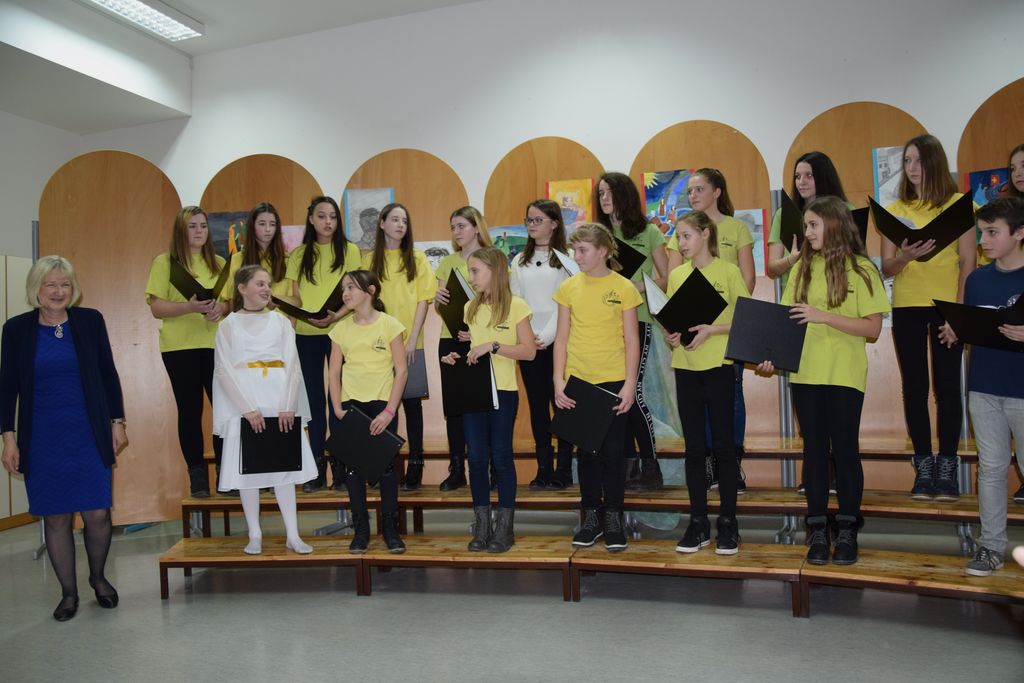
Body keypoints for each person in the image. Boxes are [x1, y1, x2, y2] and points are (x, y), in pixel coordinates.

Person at [757, 197, 890, 565]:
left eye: (813, 225)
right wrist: (770, 356)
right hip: (806, 373)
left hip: (845, 375)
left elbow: (873, 329)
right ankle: (817, 529)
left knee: (845, 450)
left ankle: (847, 530)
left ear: (834, 224)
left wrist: (824, 316)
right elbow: (786, 321)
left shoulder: (862, 268)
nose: (808, 233)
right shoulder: (802, 268)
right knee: (814, 451)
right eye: (807, 225)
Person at [1, 256, 127, 621]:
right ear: (36, 289)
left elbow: (108, 374)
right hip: (42, 435)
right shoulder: (16, 329)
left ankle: (98, 578)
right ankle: (68, 594)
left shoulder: (90, 321)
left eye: (65, 285)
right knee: (56, 517)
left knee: (97, 512)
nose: (59, 292)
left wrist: (117, 421)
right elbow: (7, 388)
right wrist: (8, 438)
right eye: (51, 285)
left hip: (88, 430)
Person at [880, 135, 976, 501]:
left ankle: (947, 465)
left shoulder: (958, 206)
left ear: (934, 162)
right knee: (915, 388)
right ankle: (923, 464)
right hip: (907, 307)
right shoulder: (894, 209)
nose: (912, 168)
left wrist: (959, 316)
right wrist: (906, 256)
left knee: (948, 388)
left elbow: (968, 263)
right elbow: (887, 267)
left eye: (918, 160)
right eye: (907, 161)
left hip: (946, 308)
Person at [937, 197, 1024, 576]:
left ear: (1019, 233)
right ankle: (991, 547)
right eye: (981, 232)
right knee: (990, 469)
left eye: (992, 232)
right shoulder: (977, 280)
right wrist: (955, 330)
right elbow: (971, 324)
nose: (983, 241)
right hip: (983, 388)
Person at [212, 266, 316, 555]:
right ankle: (254, 534)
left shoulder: (281, 322)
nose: (266, 288)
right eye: (260, 284)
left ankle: (293, 534)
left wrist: (288, 405)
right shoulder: (228, 325)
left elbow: (292, 365)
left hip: (278, 397)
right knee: (248, 470)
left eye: (268, 284)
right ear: (242, 288)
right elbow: (223, 370)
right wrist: (247, 409)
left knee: (285, 467)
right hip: (246, 402)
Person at [766, 151, 850, 495]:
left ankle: (838, 475)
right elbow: (772, 267)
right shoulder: (785, 215)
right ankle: (815, 476)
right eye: (798, 175)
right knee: (808, 407)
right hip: (798, 308)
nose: (801, 181)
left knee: (838, 413)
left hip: (834, 308)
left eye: (809, 175)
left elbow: (854, 255)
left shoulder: (842, 212)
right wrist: (795, 258)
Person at [553, 224, 641, 552]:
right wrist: (558, 381)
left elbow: (632, 340)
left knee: (613, 454)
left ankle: (614, 518)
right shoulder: (568, 288)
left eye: (583, 250)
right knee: (587, 454)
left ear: (602, 251)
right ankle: (591, 517)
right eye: (575, 250)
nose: (577, 256)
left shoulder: (624, 287)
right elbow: (561, 338)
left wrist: (630, 384)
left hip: (614, 381)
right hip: (578, 381)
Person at [442, 247, 535, 552]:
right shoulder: (469, 307)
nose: (471, 277)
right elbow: (471, 350)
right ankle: (482, 528)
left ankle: (505, 530)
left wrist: (494, 346)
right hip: (474, 392)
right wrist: (456, 357)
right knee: (477, 459)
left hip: (504, 393)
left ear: (494, 271)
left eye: (475, 271)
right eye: (469, 271)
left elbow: (529, 351)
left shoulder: (517, 306)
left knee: (502, 458)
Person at [667, 168, 755, 493]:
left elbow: (745, 295)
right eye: (689, 191)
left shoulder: (732, 247)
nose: (693, 195)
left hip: (721, 345)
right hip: (689, 353)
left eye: (699, 189)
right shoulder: (680, 267)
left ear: (717, 191)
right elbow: (674, 297)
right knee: (695, 426)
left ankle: (729, 465)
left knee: (729, 408)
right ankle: (706, 467)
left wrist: (715, 325)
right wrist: (675, 332)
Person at [666, 212, 748, 555]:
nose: (681, 243)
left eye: (686, 236)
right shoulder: (677, 275)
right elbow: (673, 323)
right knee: (695, 449)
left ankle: (728, 523)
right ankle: (698, 522)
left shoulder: (728, 271)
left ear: (705, 234)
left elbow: (745, 317)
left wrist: (713, 330)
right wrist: (673, 336)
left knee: (724, 447)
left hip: (719, 366)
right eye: (678, 237)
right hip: (686, 368)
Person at [595, 172, 669, 492]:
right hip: (603, 324)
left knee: (633, 393)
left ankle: (651, 467)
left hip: (637, 318)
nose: (604, 198)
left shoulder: (648, 231)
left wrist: (634, 286)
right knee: (614, 395)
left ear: (624, 194)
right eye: (600, 193)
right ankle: (626, 466)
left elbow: (665, 278)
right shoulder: (598, 234)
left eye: (609, 192)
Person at [145, 206, 225, 497]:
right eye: (192, 226)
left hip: (216, 345)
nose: (199, 231)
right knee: (190, 411)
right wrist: (189, 307)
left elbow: (230, 301)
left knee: (224, 412)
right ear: (181, 230)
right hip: (180, 347)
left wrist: (221, 308)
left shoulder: (219, 262)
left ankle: (226, 473)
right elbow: (156, 307)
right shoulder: (165, 262)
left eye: (203, 226)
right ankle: (198, 476)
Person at [328, 270, 408, 554]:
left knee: (386, 468)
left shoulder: (390, 325)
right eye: (343, 289)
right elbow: (333, 372)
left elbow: (401, 372)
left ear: (370, 291)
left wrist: (389, 411)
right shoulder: (340, 329)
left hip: (382, 405)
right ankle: (360, 529)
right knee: (352, 469)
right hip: (352, 406)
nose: (345, 293)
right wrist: (337, 408)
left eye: (351, 287)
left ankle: (390, 529)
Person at [284, 196, 361, 492]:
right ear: (311, 219)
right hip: (306, 334)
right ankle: (317, 468)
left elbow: (354, 292)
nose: (328, 222)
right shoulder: (298, 254)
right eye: (321, 216)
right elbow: (295, 297)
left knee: (339, 401)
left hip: (341, 333)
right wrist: (281, 308)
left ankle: (341, 467)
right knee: (314, 402)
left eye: (332, 216)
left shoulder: (350, 251)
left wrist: (334, 317)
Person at [363, 203, 437, 490]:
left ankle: (416, 465)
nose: (400, 225)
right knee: (380, 406)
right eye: (394, 220)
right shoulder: (370, 260)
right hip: (378, 346)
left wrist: (412, 339)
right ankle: (383, 467)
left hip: (409, 343)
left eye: (404, 221)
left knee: (412, 405)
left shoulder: (417, 258)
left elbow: (423, 300)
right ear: (382, 223)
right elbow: (366, 303)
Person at [510, 199, 575, 490]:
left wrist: (546, 336)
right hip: (529, 345)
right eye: (529, 220)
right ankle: (543, 469)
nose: (532, 225)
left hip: (558, 342)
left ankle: (564, 470)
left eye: (538, 220)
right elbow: (517, 303)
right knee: (537, 409)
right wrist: (528, 338)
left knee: (562, 407)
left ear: (554, 223)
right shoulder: (518, 260)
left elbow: (565, 303)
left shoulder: (567, 258)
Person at [433, 206, 493, 491]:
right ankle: (457, 470)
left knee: (483, 404)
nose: (456, 232)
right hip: (450, 336)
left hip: (480, 340)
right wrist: (438, 300)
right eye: (453, 227)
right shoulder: (447, 262)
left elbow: (500, 302)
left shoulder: (493, 258)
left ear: (476, 227)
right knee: (455, 407)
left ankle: (489, 468)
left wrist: (477, 332)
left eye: (461, 226)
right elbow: (440, 306)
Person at [218, 202, 291, 315]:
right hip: (246, 323)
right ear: (252, 226)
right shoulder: (236, 260)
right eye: (262, 224)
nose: (268, 229)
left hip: (279, 323)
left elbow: (294, 303)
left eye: (272, 224)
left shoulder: (288, 260)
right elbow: (232, 302)